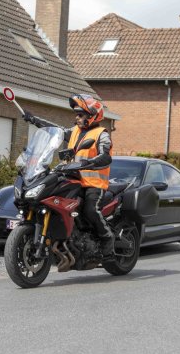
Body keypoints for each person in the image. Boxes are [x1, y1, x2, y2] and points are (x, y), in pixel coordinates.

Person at [23, 93, 115, 258]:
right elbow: (56, 130)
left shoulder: (102, 134)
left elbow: (106, 157)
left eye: (80, 115)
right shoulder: (75, 131)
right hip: (73, 179)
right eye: (76, 114)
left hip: (93, 184)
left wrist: (89, 162)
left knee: (90, 210)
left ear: (92, 116)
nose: (77, 118)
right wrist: (34, 120)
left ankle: (107, 237)